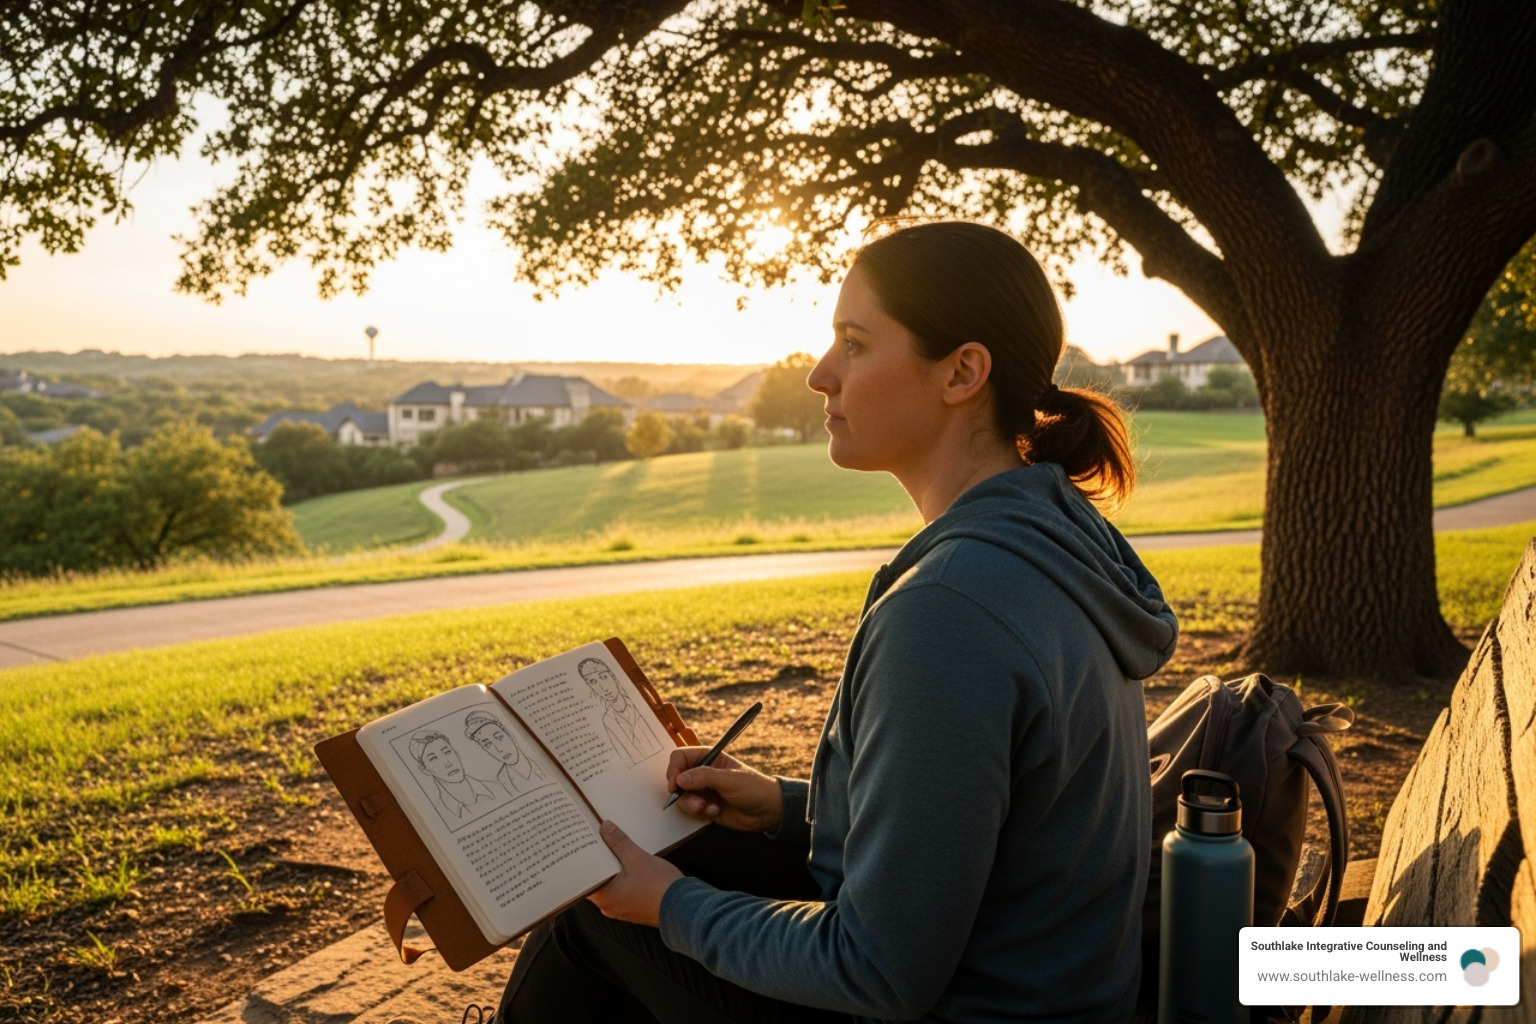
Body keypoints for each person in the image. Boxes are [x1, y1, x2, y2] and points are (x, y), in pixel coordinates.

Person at [491, 221, 1179, 1023]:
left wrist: (671, 907)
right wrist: (790, 808)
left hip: (963, 1008)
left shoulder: (948, 607)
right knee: (668, 846)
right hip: (1049, 992)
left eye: (854, 343)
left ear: (962, 372)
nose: (820, 375)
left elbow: (880, 972)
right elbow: (984, 824)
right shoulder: (1048, 537)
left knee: (592, 902)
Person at [465, 710, 550, 798]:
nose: (499, 749)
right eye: (487, 744)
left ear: (508, 734)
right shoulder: (502, 783)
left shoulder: (543, 763)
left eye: (499, 737)